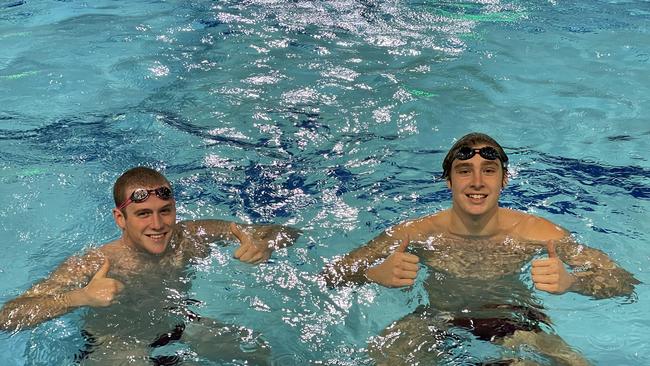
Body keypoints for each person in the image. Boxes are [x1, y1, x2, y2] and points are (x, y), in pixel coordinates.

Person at [321, 132, 639, 365]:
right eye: (464, 171)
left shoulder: (541, 233)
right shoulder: (413, 233)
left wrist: (573, 282)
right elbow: (330, 276)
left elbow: (623, 284)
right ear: (448, 181)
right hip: (437, 318)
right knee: (386, 356)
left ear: (504, 180)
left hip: (515, 320)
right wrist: (372, 274)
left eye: (488, 171)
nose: (477, 182)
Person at [0, 166, 300, 365]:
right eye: (143, 214)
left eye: (164, 211)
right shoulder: (93, 262)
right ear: (121, 219)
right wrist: (78, 298)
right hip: (116, 346)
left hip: (180, 329)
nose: (157, 225)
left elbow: (285, 231)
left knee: (258, 351)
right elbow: (8, 317)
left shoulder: (191, 237)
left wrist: (264, 242)